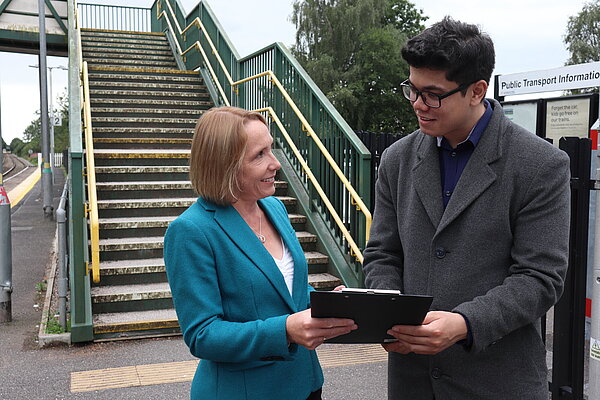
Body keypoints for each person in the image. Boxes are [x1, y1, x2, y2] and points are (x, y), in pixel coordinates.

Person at [363, 17, 571, 400]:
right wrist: (387, 308)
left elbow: (541, 277)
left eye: (433, 94)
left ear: (477, 91)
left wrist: (464, 323)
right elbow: (382, 253)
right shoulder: (396, 159)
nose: (417, 105)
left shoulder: (540, 164)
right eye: (411, 89)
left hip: (498, 383)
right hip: (413, 382)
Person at [164, 106, 357, 400]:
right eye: (259, 155)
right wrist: (286, 331)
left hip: (305, 384)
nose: (276, 163)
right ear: (224, 165)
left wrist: (328, 302)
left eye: (271, 149)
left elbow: (287, 289)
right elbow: (202, 335)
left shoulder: (274, 208)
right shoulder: (191, 230)